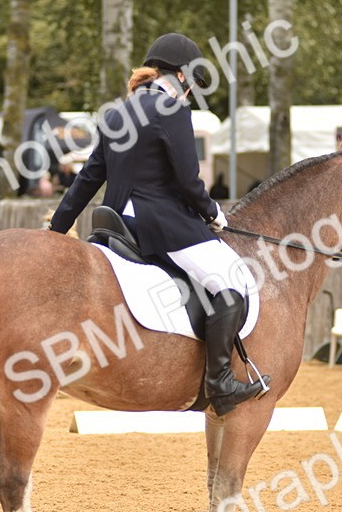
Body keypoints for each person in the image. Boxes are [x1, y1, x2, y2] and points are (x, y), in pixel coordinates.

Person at [49, 33, 268, 417]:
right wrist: (213, 214)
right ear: (181, 76)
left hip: (115, 222)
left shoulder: (116, 113)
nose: (190, 93)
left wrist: (55, 231)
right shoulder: (172, 109)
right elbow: (187, 181)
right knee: (232, 281)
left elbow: (88, 178)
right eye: (191, 84)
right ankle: (220, 382)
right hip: (161, 226)